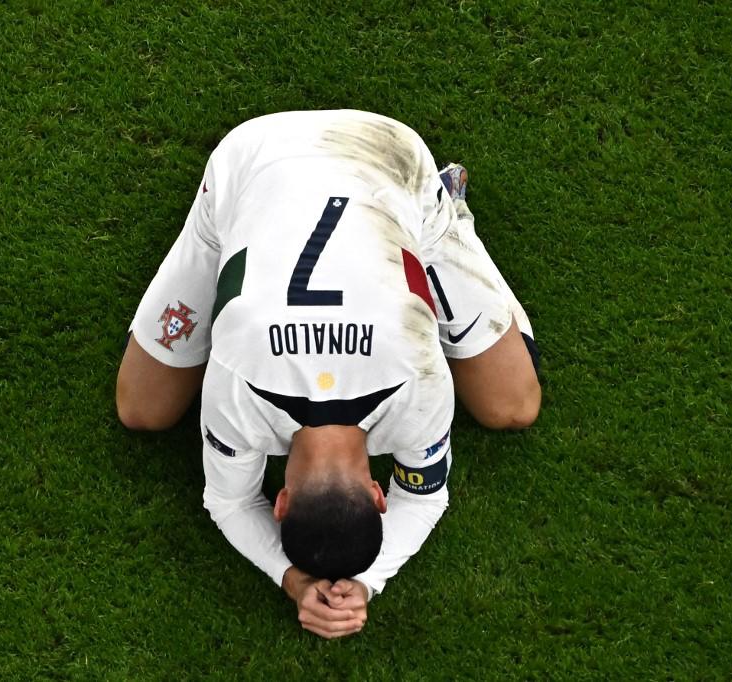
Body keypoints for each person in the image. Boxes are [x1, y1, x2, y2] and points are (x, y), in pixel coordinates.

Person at [116, 110, 540, 639]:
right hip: (275, 157)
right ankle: (436, 217)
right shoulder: (237, 388)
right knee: (511, 407)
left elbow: (425, 498)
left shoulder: (418, 392)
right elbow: (230, 502)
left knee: (145, 409)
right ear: (285, 502)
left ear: (377, 492)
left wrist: (295, 579)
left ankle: (437, 216)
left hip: (370, 155)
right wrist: (349, 582)